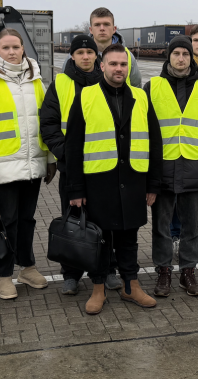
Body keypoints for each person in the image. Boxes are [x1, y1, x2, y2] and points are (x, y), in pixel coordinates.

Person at [65, 44, 163, 315]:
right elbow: (73, 146)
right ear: (102, 66)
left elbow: (155, 143)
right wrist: (75, 189)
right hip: (98, 181)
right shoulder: (86, 96)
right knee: (99, 238)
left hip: (133, 180)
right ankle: (98, 288)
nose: (119, 69)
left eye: (123, 64)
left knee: (129, 237)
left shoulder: (141, 97)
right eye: (113, 64)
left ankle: (131, 286)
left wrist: (153, 184)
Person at [0, 28, 54, 300]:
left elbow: (46, 122)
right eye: (5, 48)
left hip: (32, 165)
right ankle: (4, 276)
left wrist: (50, 159)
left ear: (23, 48)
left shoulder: (35, 79)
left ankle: (27, 268)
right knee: (7, 223)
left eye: (15, 47)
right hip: (2, 167)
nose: (11, 52)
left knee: (27, 220)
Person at [40, 34, 123, 295]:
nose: (85, 57)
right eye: (80, 53)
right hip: (72, 166)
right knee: (73, 220)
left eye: (89, 52)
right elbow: (49, 123)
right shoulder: (60, 83)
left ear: (97, 57)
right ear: (72, 56)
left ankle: (108, 269)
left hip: (104, 165)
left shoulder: (107, 81)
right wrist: (65, 153)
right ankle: (71, 273)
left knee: (106, 221)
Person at [146, 36, 198, 298]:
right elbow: (143, 127)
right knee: (161, 227)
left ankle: (188, 272)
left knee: (190, 227)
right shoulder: (152, 87)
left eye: (185, 54)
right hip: (162, 169)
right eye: (176, 53)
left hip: (193, 167)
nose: (181, 58)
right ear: (169, 56)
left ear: (192, 58)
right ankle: (164, 270)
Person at [88, 7, 142, 87]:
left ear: (114, 29)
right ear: (91, 30)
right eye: (97, 25)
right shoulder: (76, 56)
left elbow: (137, 88)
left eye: (106, 24)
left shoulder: (128, 56)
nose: (102, 28)